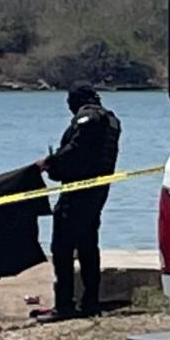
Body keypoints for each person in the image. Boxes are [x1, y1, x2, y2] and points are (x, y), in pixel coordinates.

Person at [36, 82, 122, 322]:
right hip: (97, 191)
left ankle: (64, 304)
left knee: (62, 248)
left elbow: (77, 151)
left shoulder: (89, 119)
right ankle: (90, 301)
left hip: (78, 191)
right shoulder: (112, 121)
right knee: (87, 246)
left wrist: (51, 163)